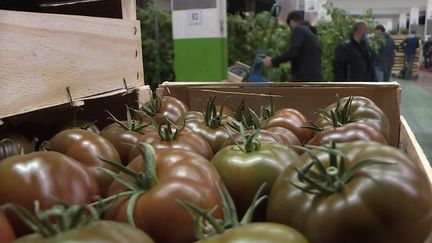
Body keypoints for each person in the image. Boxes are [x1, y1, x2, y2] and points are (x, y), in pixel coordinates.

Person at [262, 10, 323, 81]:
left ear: (291, 22)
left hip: (304, 78)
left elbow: (293, 52)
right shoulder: (310, 32)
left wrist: (273, 61)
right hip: (314, 77)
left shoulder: (298, 29)